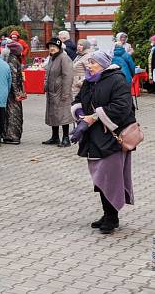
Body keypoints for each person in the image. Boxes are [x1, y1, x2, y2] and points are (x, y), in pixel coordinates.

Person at [71, 51, 136, 234]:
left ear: (103, 64)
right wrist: (79, 114)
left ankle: (112, 217)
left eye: (92, 63)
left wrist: (94, 116)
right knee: (100, 178)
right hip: (94, 137)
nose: (89, 66)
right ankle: (108, 214)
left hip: (112, 137)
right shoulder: (89, 81)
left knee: (111, 177)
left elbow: (122, 107)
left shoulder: (117, 80)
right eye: (88, 63)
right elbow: (78, 101)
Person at [42, 38, 75, 147]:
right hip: (52, 91)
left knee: (63, 114)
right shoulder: (52, 58)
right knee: (53, 114)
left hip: (61, 91)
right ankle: (55, 137)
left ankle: (66, 139)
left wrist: (65, 93)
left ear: (59, 48)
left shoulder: (64, 58)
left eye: (54, 46)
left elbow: (68, 76)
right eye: (50, 46)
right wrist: (46, 85)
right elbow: (47, 74)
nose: (52, 48)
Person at [3, 42, 26, 144]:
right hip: (12, 93)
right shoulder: (12, 60)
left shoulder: (12, 59)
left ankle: (11, 135)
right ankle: (12, 136)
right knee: (13, 114)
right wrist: (16, 93)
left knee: (12, 113)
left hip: (12, 92)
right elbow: (13, 78)